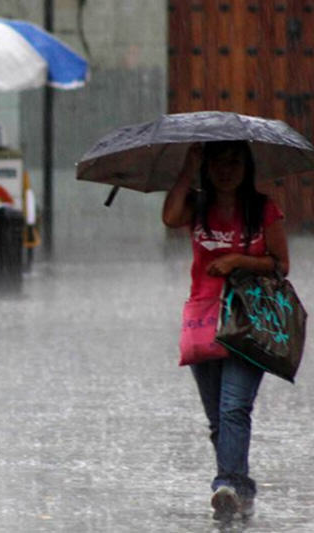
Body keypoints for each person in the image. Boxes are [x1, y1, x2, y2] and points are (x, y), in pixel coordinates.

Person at [162, 140, 289, 521]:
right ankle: (241, 487)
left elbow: (281, 264)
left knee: (235, 407)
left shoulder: (263, 209)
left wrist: (238, 260)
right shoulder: (198, 207)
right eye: (218, 162)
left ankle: (226, 483)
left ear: (246, 167)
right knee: (219, 417)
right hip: (204, 320)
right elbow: (169, 217)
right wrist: (187, 167)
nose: (226, 170)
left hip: (250, 321)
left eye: (234, 161)